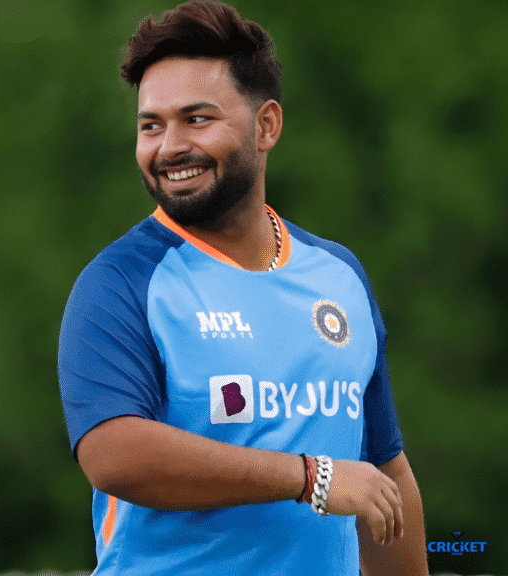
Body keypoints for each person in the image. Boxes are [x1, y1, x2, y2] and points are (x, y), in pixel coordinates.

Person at [57, 1, 428, 574]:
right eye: (150, 125)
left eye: (197, 119)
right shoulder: (119, 282)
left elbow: (383, 474)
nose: (169, 146)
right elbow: (114, 454)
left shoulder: (339, 275)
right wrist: (311, 478)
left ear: (267, 126)